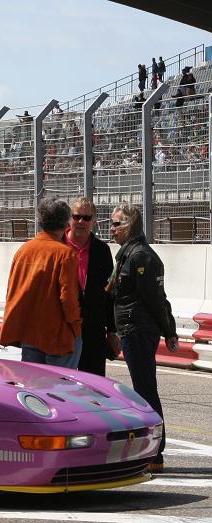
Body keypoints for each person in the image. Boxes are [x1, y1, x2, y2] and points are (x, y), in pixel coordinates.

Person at [108, 203, 178, 473]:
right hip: (129, 329)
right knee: (144, 390)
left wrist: (169, 331)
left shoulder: (143, 258)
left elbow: (157, 300)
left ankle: (156, 454)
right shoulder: (125, 254)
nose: (111, 229)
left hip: (139, 331)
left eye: (115, 224)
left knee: (146, 391)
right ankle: (153, 453)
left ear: (129, 226)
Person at [0, 197, 82, 368]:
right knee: (60, 388)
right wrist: (76, 326)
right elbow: (68, 299)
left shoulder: (24, 250)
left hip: (30, 333)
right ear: (66, 223)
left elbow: (12, 291)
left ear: (40, 220)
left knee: (33, 387)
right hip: (58, 336)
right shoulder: (66, 254)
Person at [65, 198, 118, 376]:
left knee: (93, 387)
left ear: (93, 221)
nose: (80, 222)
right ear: (69, 218)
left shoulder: (102, 250)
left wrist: (112, 331)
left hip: (93, 329)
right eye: (76, 216)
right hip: (63, 327)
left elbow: (109, 293)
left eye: (86, 218)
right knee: (61, 384)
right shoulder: (57, 246)